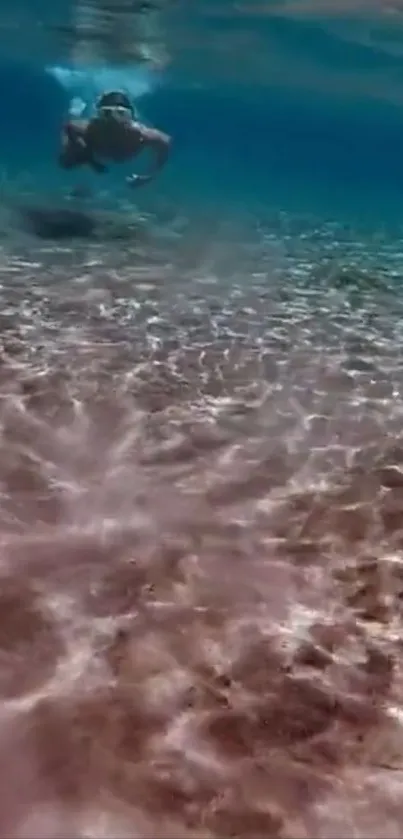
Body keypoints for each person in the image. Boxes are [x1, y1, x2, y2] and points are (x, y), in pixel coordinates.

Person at [59, 90, 171, 188]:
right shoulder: (90, 128)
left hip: (104, 149)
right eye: (107, 113)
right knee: (67, 162)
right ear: (99, 115)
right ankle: (75, 110)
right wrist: (88, 158)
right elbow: (69, 126)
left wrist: (148, 177)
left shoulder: (140, 133)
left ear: (130, 117)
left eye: (121, 114)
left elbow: (166, 142)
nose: (114, 120)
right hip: (94, 147)